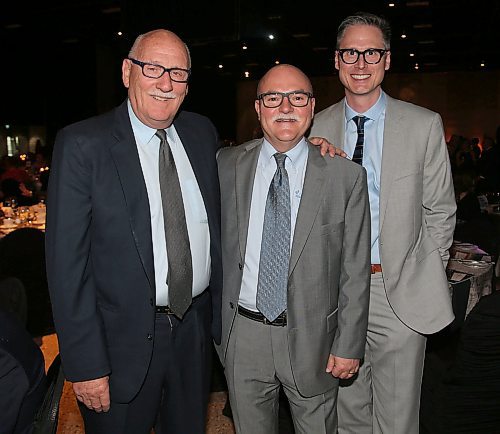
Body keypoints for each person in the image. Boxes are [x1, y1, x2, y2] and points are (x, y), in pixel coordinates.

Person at [45, 29, 222, 434]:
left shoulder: (200, 133)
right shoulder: (83, 145)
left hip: (193, 333)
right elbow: (66, 267)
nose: (166, 83)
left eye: (178, 73)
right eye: (154, 68)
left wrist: (308, 145)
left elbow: (249, 169)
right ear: (127, 72)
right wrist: (87, 364)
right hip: (117, 346)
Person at [310, 12, 456, 433]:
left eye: (371, 51)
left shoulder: (423, 125)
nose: (360, 62)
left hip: (400, 294)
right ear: (336, 61)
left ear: (387, 60)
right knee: (348, 416)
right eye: (350, 52)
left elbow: (441, 210)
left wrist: (423, 269)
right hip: (338, 294)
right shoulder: (315, 128)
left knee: (396, 419)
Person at [216, 64, 371, 433]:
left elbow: (355, 269)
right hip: (243, 335)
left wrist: (348, 344)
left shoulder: (346, 177)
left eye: (297, 97)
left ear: (312, 106)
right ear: (258, 108)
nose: (285, 107)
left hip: (314, 339)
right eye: (273, 97)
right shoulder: (225, 165)